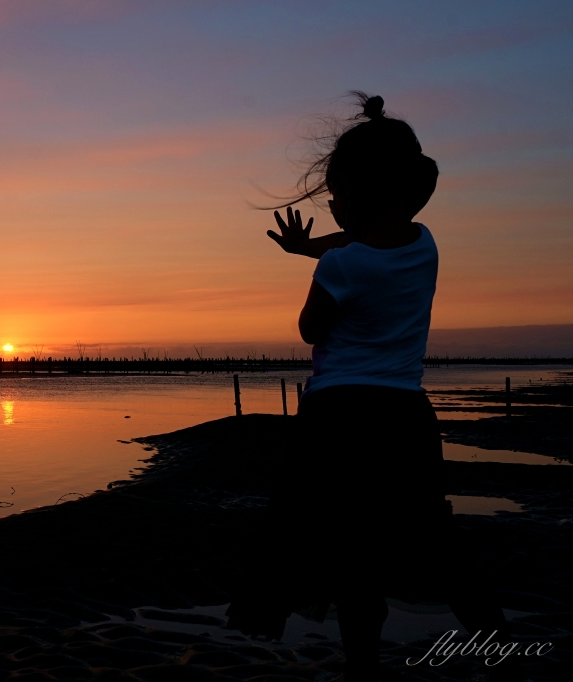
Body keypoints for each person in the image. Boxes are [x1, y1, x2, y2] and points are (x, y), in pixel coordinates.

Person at [265, 93, 512, 681]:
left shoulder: (340, 266)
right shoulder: (424, 244)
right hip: (406, 416)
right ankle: (500, 647)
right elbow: (368, 239)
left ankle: (363, 667)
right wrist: (310, 247)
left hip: (339, 415)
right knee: (437, 539)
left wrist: (316, 260)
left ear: (352, 191)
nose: (331, 205)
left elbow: (310, 330)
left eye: (335, 193)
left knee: (351, 550)